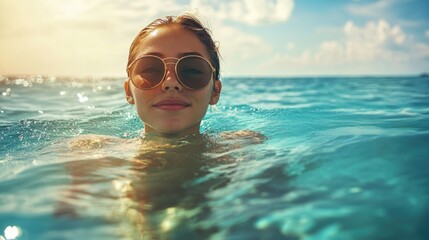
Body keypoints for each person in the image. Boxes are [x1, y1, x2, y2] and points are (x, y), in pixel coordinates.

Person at [123, 13, 222, 138]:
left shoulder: (246, 145)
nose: (171, 83)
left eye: (191, 70)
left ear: (215, 91)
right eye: (152, 70)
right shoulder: (96, 151)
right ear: (128, 91)